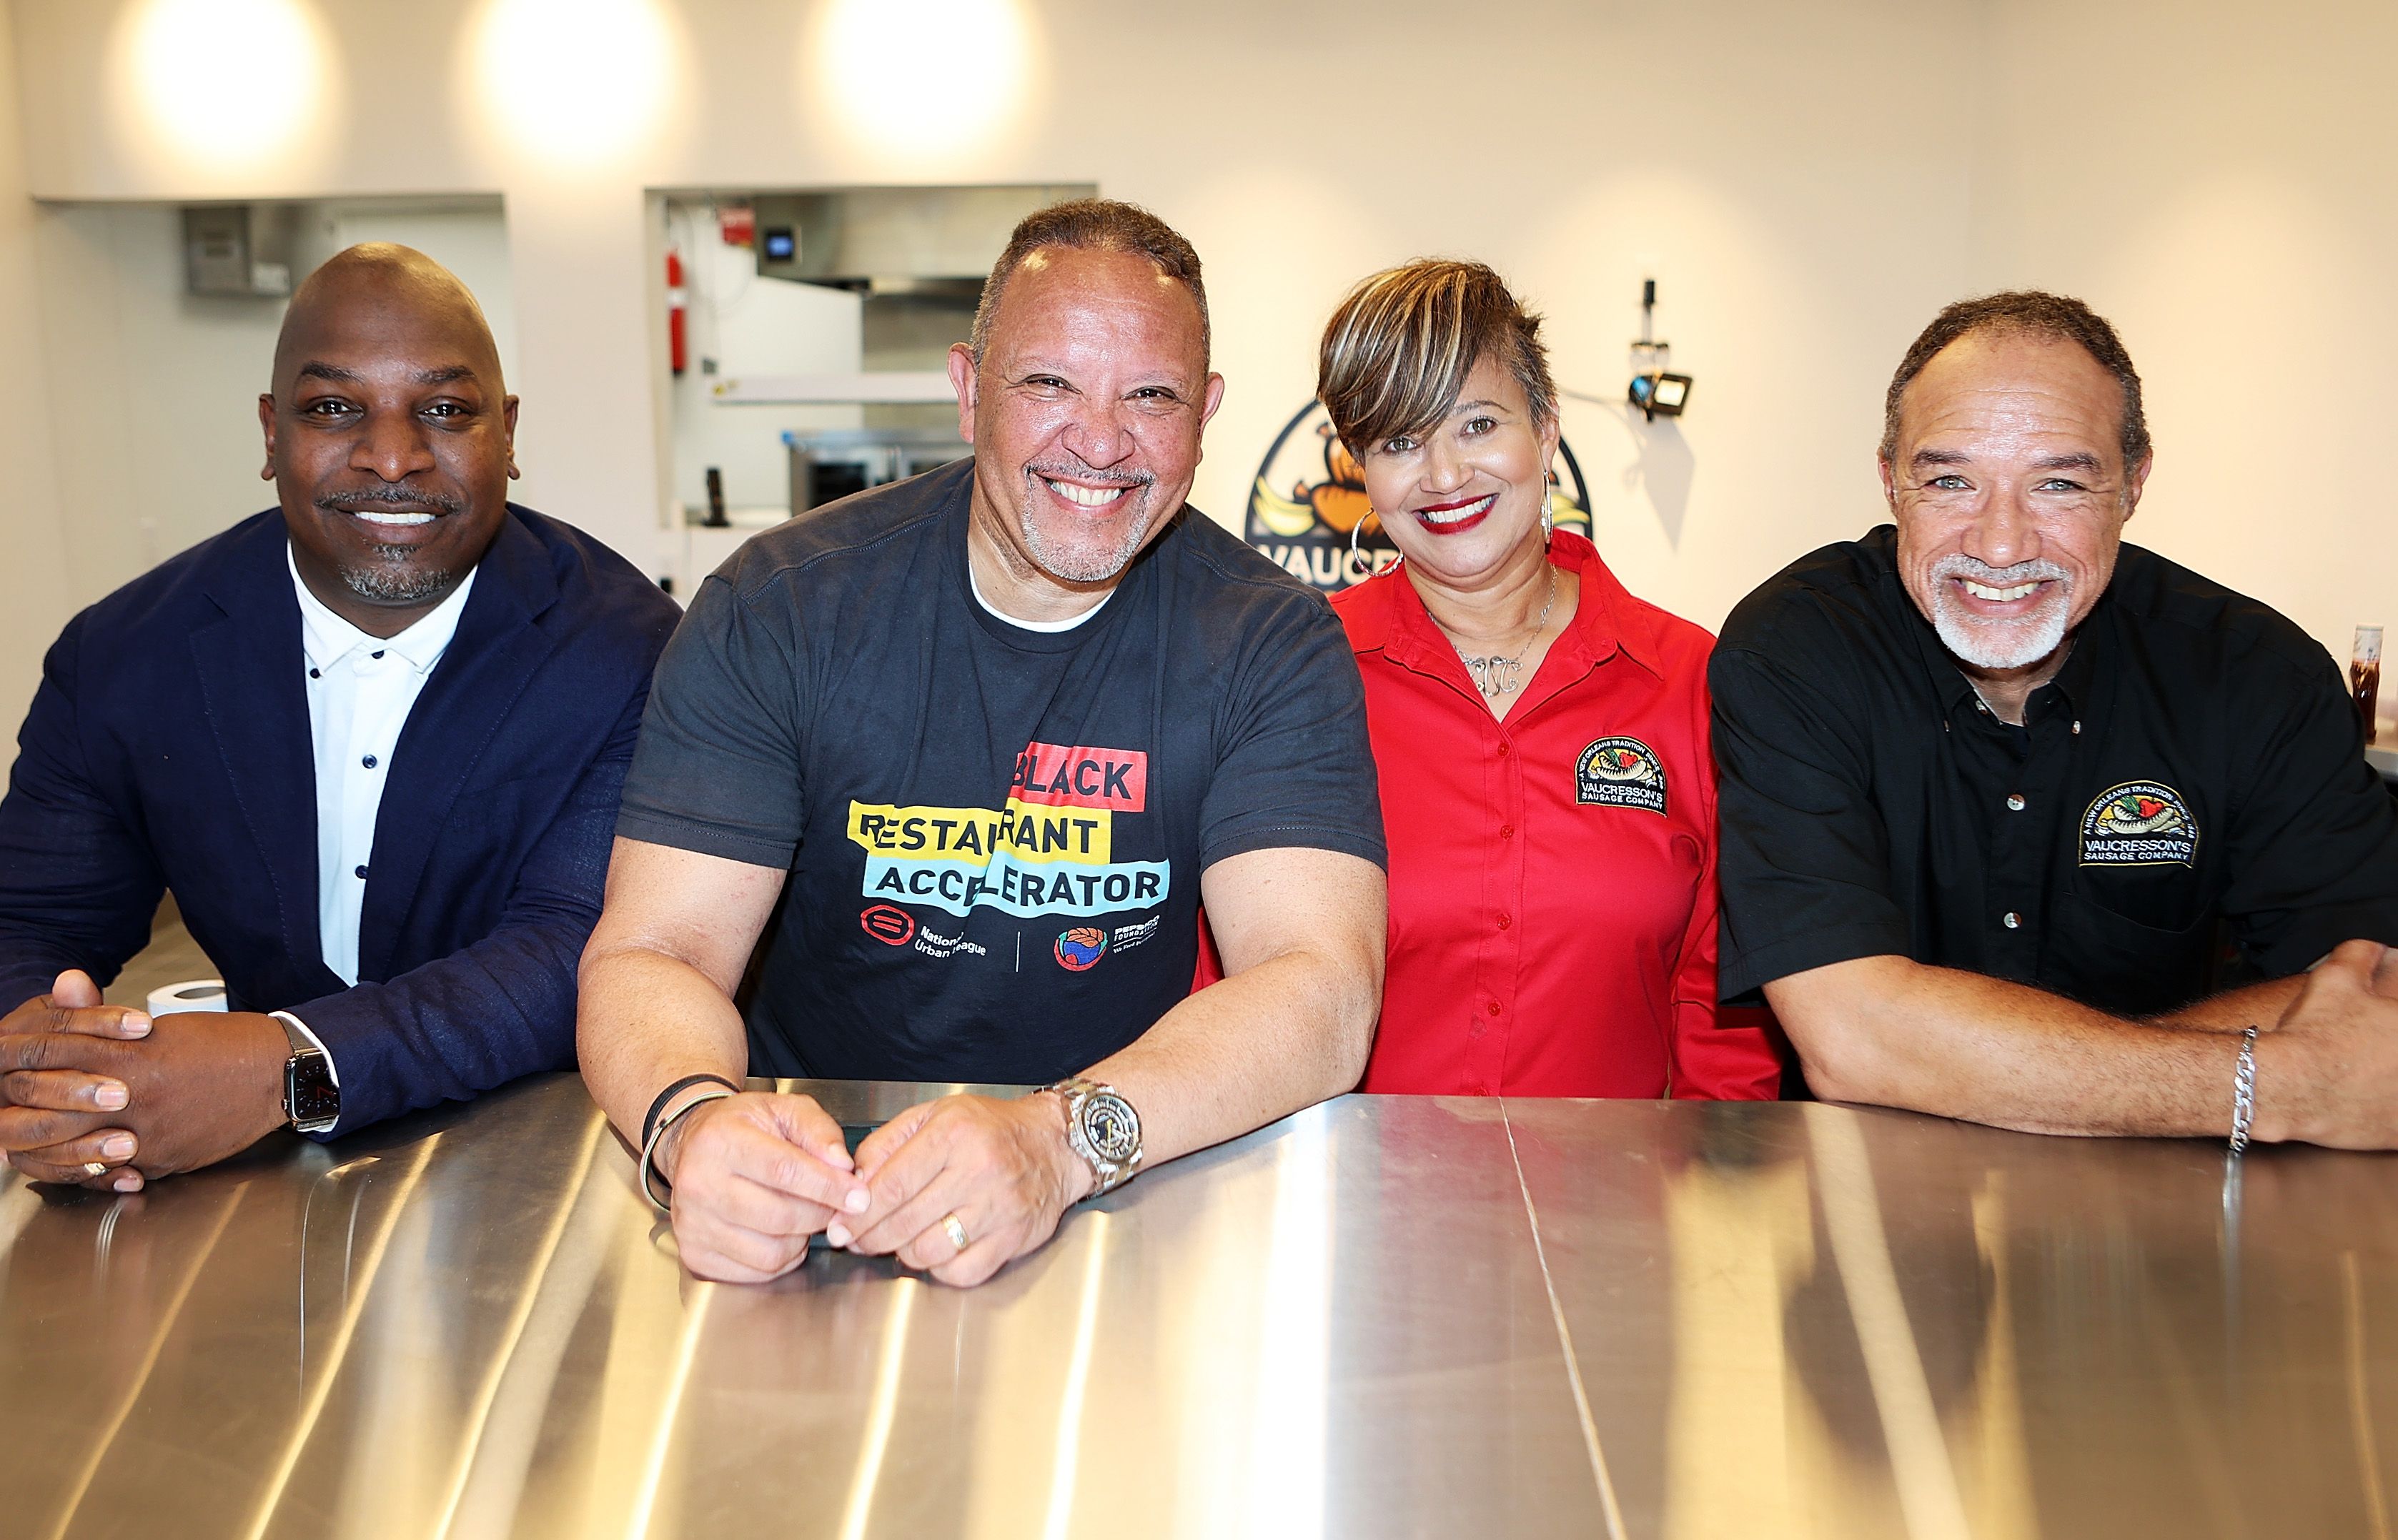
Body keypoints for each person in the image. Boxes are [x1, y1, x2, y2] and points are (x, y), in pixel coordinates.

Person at [578, 199, 1388, 1288]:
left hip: (1125, 1174)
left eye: (1150, 395)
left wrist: (1056, 1143)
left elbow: (1318, 984)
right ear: (967, 390)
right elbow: (655, 950)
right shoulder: (779, 608)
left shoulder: (1267, 636)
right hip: (805, 1203)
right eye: (1048, 383)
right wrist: (690, 1127)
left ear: (1206, 412)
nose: (1100, 442)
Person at [0, 244, 679, 1190]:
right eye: (333, 408)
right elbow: (32, 914)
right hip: (239, 1188)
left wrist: (288, 1066)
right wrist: (55, 1069)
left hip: (546, 1168)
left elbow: (578, 947)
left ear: (508, 433)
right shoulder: (125, 653)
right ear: (273, 432)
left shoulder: (633, 651)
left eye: (445, 409)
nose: (392, 456)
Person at [1711, 290, 2398, 1145]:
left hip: (2175, 1218)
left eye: (2060, 484)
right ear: (1890, 480)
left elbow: (2365, 996)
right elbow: (1853, 1041)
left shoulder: (2256, 675)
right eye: (1950, 480)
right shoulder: (1796, 650)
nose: (2000, 544)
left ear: (2133, 485)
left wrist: (2028, 1073)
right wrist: (2284, 1087)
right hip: (1863, 1217)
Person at [1308, 259, 1780, 1098]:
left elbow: (1721, 1016)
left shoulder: (1686, 678)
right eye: (1400, 441)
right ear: (1363, 472)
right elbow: (1225, 982)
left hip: (1616, 1214)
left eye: (1478, 425)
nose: (1445, 476)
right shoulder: (1301, 674)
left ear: (1547, 428)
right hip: (1354, 1209)